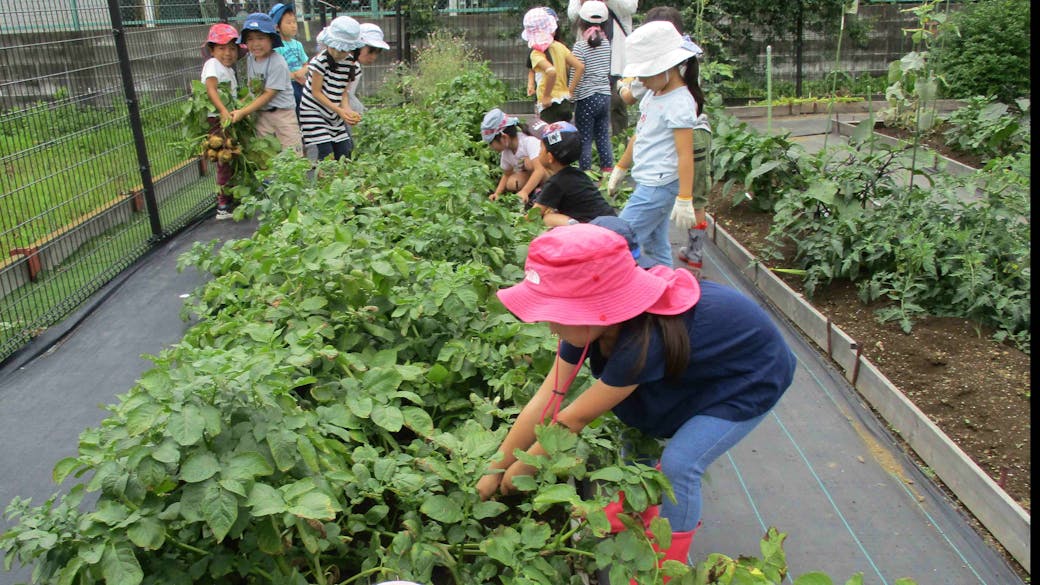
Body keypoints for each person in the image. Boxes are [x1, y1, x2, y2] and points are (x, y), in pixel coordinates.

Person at [476, 223, 796, 572]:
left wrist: (518, 473)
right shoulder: (586, 323)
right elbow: (547, 399)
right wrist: (495, 466)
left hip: (750, 375)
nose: (550, 326)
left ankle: (665, 565)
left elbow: (572, 419)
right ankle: (632, 512)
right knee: (637, 432)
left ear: (593, 306)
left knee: (679, 465)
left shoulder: (642, 340)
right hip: (698, 364)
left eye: (553, 313)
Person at [605, 21, 707, 268]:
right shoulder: (654, 92)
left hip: (658, 187)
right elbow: (640, 135)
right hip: (648, 180)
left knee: (618, 240)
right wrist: (621, 168)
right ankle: (669, 294)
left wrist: (684, 197)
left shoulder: (680, 102)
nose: (640, 80)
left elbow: (685, 155)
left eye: (644, 73)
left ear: (666, 68)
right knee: (655, 244)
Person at [231, 13, 303, 156]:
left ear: (271, 39)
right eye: (250, 39)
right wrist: (241, 104)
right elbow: (254, 90)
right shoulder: (250, 59)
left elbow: (269, 94)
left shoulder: (278, 62)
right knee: (265, 156)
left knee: (292, 157)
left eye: (261, 38)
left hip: (283, 115)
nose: (255, 44)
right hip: (261, 115)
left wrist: (244, 111)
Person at [567, 0, 637, 136]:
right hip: (589, 51)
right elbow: (572, 15)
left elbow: (631, 7)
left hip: (616, 51)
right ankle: (589, 144)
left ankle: (619, 143)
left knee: (617, 102)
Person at [298, 16, 363, 161]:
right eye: (333, 47)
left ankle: (339, 180)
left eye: (342, 50)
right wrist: (340, 110)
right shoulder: (319, 62)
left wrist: (347, 111)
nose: (336, 53)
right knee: (326, 152)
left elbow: (343, 93)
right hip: (313, 111)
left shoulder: (351, 65)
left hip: (333, 113)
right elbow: (316, 93)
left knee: (344, 151)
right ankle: (323, 180)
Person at [532, 122, 617, 226]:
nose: (539, 152)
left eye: (541, 149)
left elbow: (534, 215)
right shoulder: (578, 174)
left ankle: (577, 228)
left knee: (548, 218)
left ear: (550, 157)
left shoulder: (555, 183)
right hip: (613, 222)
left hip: (597, 229)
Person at [200, 23, 242, 220]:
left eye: (232, 48)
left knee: (232, 157)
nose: (228, 53)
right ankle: (223, 204)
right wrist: (224, 111)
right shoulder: (212, 65)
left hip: (227, 119)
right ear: (212, 50)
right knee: (224, 158)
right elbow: (211, 89)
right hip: (218, 119)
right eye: (222, 48)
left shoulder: (228, 70)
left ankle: (232, 196)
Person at [570, 1, 615, 174]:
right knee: (603, 135)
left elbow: (576, 74)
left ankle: (585, 172)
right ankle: (608, 170)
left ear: (581, 23)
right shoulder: (607, 45)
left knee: (585, 137)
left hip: (586, 97)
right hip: (605, 95)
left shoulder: (580, 47)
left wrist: (571, 95)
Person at [522, 7, 585, 124]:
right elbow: (579, 67)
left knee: (549, 139)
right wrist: (570, 91)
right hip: (565, 103)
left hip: (549, 106)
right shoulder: (560, 47)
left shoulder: (536, 53)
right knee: (565, 137)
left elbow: (551, 72)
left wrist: (546, 96)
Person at [481, 108, 546, 206]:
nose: (490, 147)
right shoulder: (506, 153)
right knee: (511, 182)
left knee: (528, 163)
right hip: (531, 176)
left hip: (547, 174)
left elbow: (539, 170)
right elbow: (507, 174)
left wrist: (525, 191)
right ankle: (533, 191)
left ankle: (541, 191)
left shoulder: (528, 142)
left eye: (491, 143)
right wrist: (497, 193)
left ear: (504, 138)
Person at [270, 3, 307, 115]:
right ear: (277, 27)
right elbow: (276, 73)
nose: (293, 26)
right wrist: (294, 76)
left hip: (302, 81)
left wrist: (302, 72)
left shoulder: (298, 44)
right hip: (287, 84)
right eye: (288, 23)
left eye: (294, 22)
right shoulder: (276, 47)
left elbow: (306, 64)